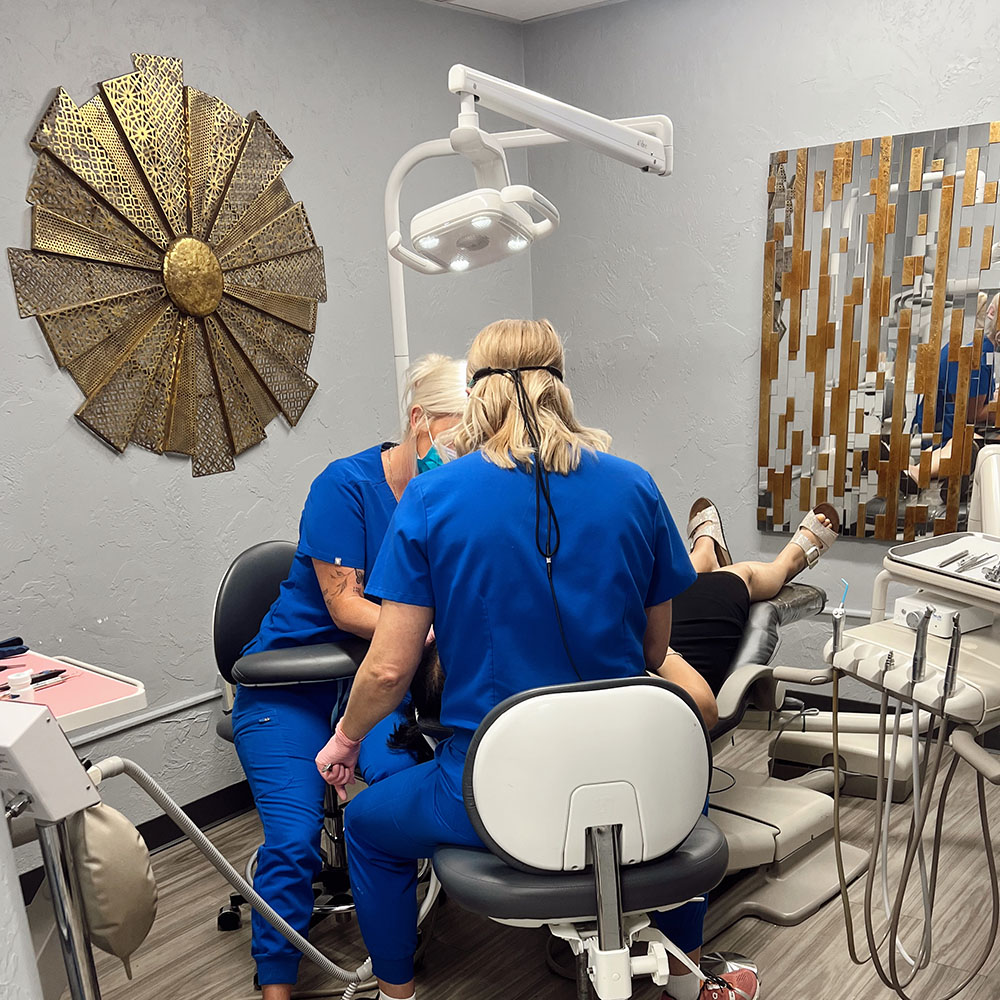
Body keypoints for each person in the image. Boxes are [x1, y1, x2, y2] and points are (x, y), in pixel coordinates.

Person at [313, 319, 756, 1000]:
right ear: (560, 386)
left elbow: (387, 671)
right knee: (683, 797)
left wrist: (344, 741)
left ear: (478, 394)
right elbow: (653, 650)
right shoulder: (634, 486)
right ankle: (685, 976)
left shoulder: (434, 498)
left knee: (369, 828)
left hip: (493, 793)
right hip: (635, 777)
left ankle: (395, 993)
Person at [231, 354, 467, 1000]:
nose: (458, 455)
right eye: (451, 439)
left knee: (401, 800)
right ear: (418, 421)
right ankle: (276, 983)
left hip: (371, 690)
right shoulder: (345, 485)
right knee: (294, 839)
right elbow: (344, 604)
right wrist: (424, 629)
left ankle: (395, 945)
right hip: (287, 693)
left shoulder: (443, 496)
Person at [675, 498, 839, 695]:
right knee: (742, 576)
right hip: (678, 676)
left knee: (672, 586)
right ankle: (787, 564)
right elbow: (703, 707)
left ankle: (703, 558)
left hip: (643, 654)